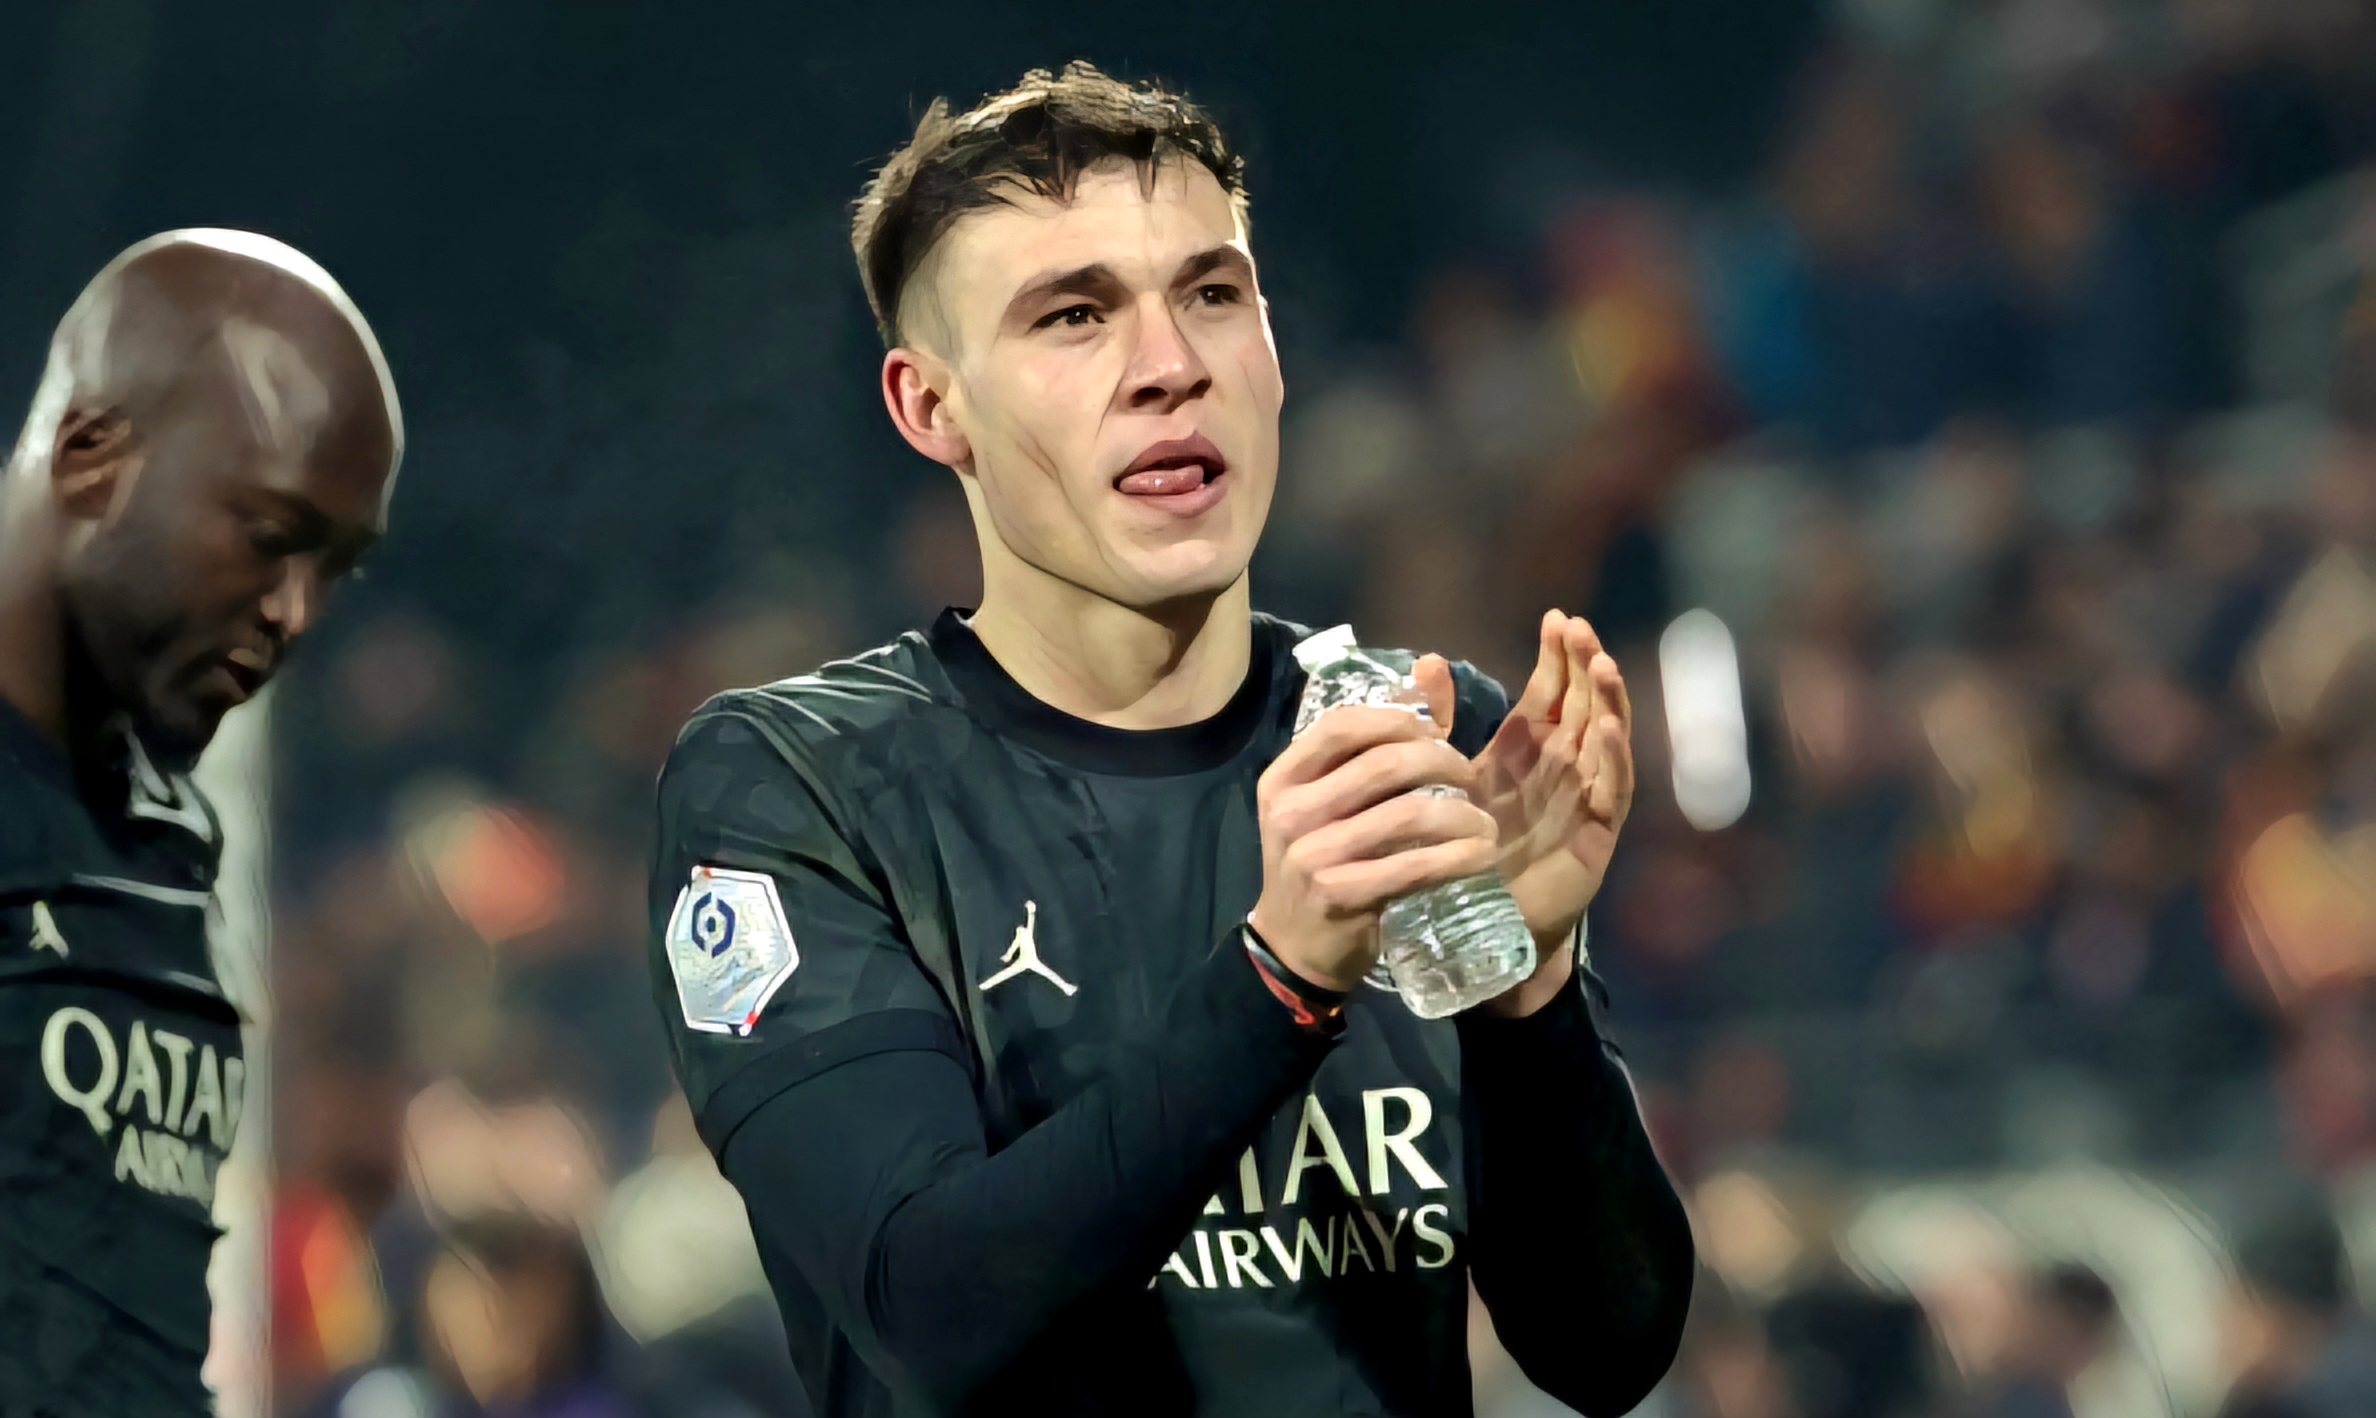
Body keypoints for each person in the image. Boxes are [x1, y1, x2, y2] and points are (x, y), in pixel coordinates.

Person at [646, 63, 1693, 1417]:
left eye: (1213, 293)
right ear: (930, 407)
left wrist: (1528, 994)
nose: (1170, 366)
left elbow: (1606, 1349)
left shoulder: (1413, 742)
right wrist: (1283, 978)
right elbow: (934, 1305)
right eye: (1073, 316)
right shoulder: (799, 785)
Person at [0, 229, 401, 1415]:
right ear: (90, 457)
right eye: (272, 537)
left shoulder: (166, 844)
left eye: (337, 571)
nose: (295, 613)